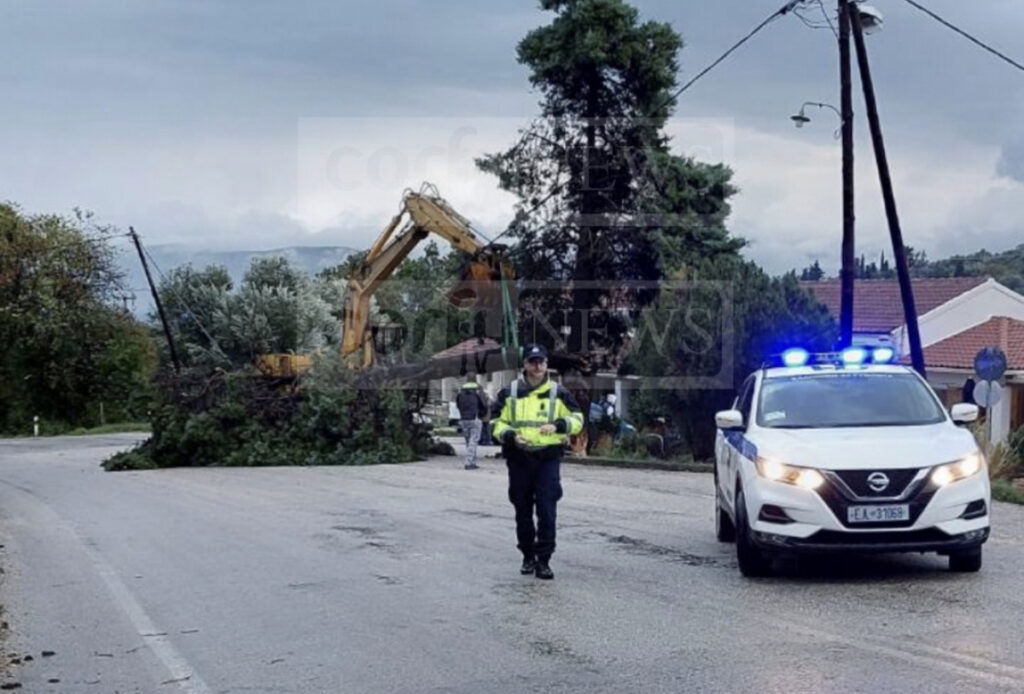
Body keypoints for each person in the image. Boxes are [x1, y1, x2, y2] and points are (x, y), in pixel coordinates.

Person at [491, 344, 583, 580]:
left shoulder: (558, 392)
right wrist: (511, 435)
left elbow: (577, 418)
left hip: (547, 458)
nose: (537, 366)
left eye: (541, 361)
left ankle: (544, 560)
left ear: (546, 364)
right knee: (522, 509)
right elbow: (494, 423)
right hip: (519, 457)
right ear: (525, 365)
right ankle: (527, 556)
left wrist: (559, 425)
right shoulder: (509, 392)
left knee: (547, 510)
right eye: (533, 361)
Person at [455, 377, 488, 470]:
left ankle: (472, 461)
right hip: (475, 417)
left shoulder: (460, 392)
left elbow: (457, 405)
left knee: (468, 441)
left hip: (463, 418)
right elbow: (483, 404)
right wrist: (483, 414)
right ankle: (469, 462)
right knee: (473, 441)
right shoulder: (478, 390)